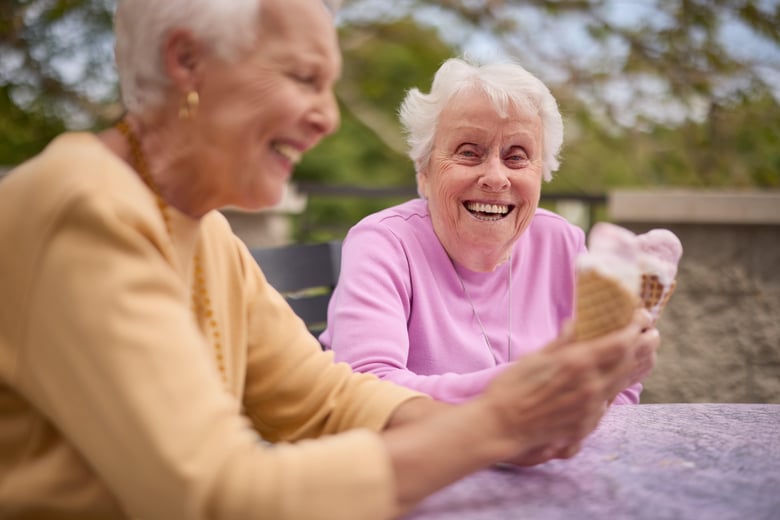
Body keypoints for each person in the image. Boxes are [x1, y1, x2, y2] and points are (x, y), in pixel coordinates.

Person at [0, 1, 653, 518]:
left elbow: (324, 399)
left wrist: (523, 418)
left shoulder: (207, 235)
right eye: (303, 78)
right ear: (187, 61)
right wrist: (496, 424)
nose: (328, 118)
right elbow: (215, 497)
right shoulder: (85, 207)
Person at [320, 57, 660, 405]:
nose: (496, 178)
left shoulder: (562, 243)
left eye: (517, 157)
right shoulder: (384, 243)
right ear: (424, 171)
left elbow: (616, 389)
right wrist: (536, 381)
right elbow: (370, 388)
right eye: (469, 152)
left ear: (542, 171)